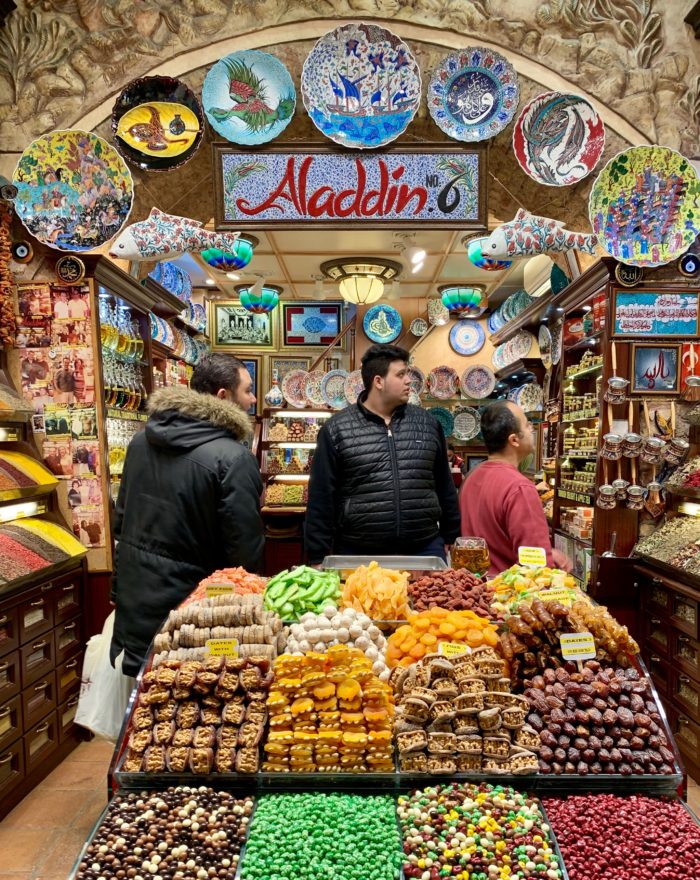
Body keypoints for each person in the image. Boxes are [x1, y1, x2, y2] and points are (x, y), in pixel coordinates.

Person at [110, 353, 264, 676]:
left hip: (138, 612)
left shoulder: (140, 442)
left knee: (146, 713)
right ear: (223, 396)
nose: (253, 399)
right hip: (196, 623)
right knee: (198, 717)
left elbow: (121, 523)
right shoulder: (233, 459)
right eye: (248, 390)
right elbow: (243, 558)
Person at [305, 343, 460, 564]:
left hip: (423, 548)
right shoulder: (336, 429)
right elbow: (321, 497)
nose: (409, 380)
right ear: (378, 381)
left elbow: (444, 485)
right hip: (357, 552)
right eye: (401, 375)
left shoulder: (428, 424)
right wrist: (317, 555)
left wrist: (451, 533)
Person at [460, 401, 572, 576]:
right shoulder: (520, 488)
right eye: (527, 426)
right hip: (506, 592)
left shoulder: (472, 477)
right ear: (514, 440)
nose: (532, 430)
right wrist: (546, 558)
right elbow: (536, 566)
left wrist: (549, 553)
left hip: (476, 587)